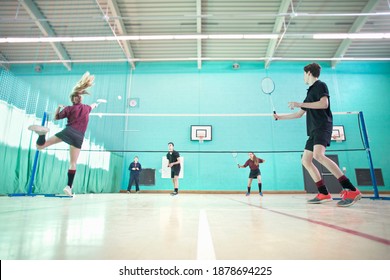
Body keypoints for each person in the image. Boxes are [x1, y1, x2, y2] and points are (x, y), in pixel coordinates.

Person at [273, 62, 361, 207]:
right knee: (306, 160)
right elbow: (299, 114)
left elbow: (323, 104)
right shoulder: (310, 92)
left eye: (304, 74)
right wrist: (280, 117)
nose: (303, 77)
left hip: (322, 126)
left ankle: (351, 189)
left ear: (308, 73)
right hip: (313, 130)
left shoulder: (321, 85)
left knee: (318, 155)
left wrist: (299, 103)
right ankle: (324, 192)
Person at [28, 72, 99, 197]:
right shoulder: (87, 108)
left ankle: (42, 134)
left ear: (72, 99)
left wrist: (59, 108)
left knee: (40, 146)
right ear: (80, 98)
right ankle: (68, 187)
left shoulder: (68, 108)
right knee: (73, 163)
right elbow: (93, 105)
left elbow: (56, 117)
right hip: (78, 137)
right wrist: (97, 103)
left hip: (68, 132)